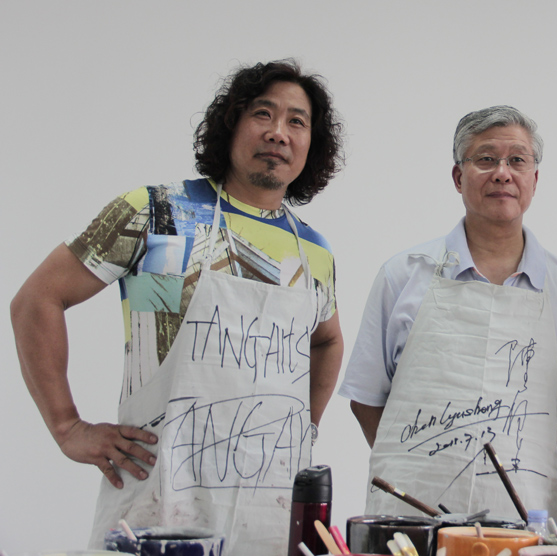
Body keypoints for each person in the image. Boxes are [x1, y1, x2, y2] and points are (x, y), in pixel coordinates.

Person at [10, 60, 346, 556]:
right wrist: (67, 426)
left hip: (266, 508)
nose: (278, 132)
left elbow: (327, 339)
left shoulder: (312, 251)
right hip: (158, 495)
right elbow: (37, 299)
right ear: (231, 123)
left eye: (297, 121)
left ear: (311, 144)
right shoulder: (154, 212)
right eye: (263, 113)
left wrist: (303, 429)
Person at [339, 106, 557, 523]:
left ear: (534, 179)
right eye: (486, 159)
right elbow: (366, 398)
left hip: (520, 511)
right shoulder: (403, 274)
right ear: (458, 177)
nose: (502, 173)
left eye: (517, 160)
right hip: (411, 511)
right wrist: (416, 462)